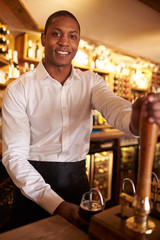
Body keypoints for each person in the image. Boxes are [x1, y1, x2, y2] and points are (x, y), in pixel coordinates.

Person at [2, 10, 160, 231]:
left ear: (78, 43)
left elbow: (113, 106)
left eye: (72, 36)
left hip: (77, 184)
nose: (64, 42)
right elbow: (14, 157)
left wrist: (135, 116)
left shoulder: (91, 82)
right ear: (43, 39)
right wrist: (56, 205)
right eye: (56, 34)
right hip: (32, 190)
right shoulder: (18, 89)